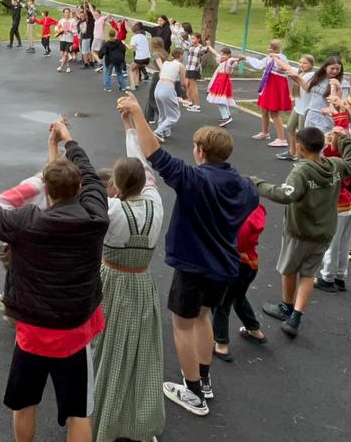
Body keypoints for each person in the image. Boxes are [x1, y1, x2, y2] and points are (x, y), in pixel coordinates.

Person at [0, 117, 107, 442]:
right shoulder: (95, 217)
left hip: (34, 333)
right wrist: (69, 140)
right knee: (79, 411)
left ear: (46, 192)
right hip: (75, 330)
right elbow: (92, 176)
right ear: (79, 189)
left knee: (24, 404)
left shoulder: (26, 224)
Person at [119, 95, 257, 417]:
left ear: (200, 151)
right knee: (203, 316)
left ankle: (193, 391)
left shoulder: (196, 180)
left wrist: (137, 114)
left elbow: (155, 155)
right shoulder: (245, 187)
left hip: (194, 266)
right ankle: (204, 379)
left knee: (182, 324)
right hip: (224, 266)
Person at [92, 103, 166, 442]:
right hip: (142, 284)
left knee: (104, 349)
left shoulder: (111, 210)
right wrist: (130, 127)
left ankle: (99, 418)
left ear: (115, 184)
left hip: (109, 283)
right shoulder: (155, 203)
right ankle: (138, 421)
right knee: (140, 352)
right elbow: (143, 164)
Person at [251, 126, 351, 338]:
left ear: (300, 147)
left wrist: (256, 183)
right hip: (324, 231)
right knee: (309, 273)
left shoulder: (301, 171)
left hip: (300, 231)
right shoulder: (335, 165)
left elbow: (285, 194)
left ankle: (286, 307)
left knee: (289, 269)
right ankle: (296, 317)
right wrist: (346, 141)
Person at [315, 93, 351, 293]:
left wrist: (338, 106)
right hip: (346, 203)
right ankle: (340, 276)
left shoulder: (331, 159)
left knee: (332, 241)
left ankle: (327, 277)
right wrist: (335, 109)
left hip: (336, 204)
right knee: (343, 241)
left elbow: (343, 122)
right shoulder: (348, 160)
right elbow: (342, 123)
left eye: (331, 136)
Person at [211, 202, 266, 363]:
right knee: (239, 297)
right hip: (250, 264)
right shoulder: (256, 210)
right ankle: (254, 329)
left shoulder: (237, 216)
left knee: (221, 303)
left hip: (233, 266)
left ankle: (221, 344)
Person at [244, 40, 293, 146]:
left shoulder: (281, 58)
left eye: (271, 48)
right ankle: (265, 132)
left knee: (274, 112)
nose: (269, 49)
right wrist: (246, 58)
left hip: (276, 85)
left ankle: (282, 139)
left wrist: (276, 57)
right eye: (270, 47)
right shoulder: (268, 57)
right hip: (268, 85)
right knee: (264, 109)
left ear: (276, 48)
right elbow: (259, 64)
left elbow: (283, 66)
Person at [277, 55, 316, 162]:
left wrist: (293, 76)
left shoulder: (310, 75)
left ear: (311, 65)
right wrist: (275, 57)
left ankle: (303, 158)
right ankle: (292, 152)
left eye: (305, 63)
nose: (301, 65)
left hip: (305, 109)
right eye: (300, 62)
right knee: (290, 128)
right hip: (298, 107)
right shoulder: (300, 72)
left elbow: (301, 82)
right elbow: (286, 66)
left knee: (303, 135)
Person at [302, 57, 345, 133]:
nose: (335, 71)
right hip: (311, 115)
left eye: (337, 69)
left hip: (326, 119)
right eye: (332, 68)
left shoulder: (343, 83)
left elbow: (341, 104)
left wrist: (338, 88)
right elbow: (308, 89)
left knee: (320, 139)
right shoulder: (318, 77)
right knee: (307, 139)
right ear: (325, 67)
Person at [206, 48, 246, 127]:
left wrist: (239, 59)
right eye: (222, 54)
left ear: (228, 55)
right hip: (219, 82)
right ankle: (227, 115)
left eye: (224, 55)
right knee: (221, 100)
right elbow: (215, 53)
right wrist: (209, 46)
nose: (222, 56)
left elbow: (232, 60)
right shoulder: (222, 61)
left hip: (222, 83)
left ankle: (226, 117)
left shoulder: (229, 62)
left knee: (219, 101)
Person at [152, 48, 184, 141]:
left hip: (158, 87)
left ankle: (164, 131)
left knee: (163, 113)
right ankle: (158, 132)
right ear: (181, 55)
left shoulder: (166, 63)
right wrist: (186, 92)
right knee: (174, 115)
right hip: (167, 88)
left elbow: (160, 75)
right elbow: (183, 82)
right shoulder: (180, 65)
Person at [181, 33, 210, 111]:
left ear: (198, 39)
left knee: (194, 87)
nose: (192, 40)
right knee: (188, 85)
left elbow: (207, 49)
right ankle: (189, 101)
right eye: (191, 38)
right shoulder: (191, 46)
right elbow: (185, 45)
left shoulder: (201, 48)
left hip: (194, 69)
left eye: (193, 38)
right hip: (189, 67)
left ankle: (197, 105)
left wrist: (208, 44)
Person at [99, 28, 128, 92]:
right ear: (115, 34)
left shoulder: (106, 44)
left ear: (109, 35)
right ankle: (123, 87)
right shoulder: (119, 42)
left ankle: (108, 88)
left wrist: (100, 56)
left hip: (110, 60)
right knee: (119, 73)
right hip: (119, 60)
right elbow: (123, 49)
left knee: (108, 73)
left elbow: (102, 52)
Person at [128, 22, 151, 90]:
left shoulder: (134, 37)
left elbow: (131, 48)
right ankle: (136, 83)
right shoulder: (144, 37)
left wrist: (124, 44)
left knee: (131, 70)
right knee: (136, 68)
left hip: (140, 58)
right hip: (147, 57)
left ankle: (132, 86)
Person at [55, 8, 77, 73]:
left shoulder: (73, 21)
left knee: (66, 54)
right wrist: (59, 30)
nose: (67, 14)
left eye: (68, 12)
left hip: (69, 39)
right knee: (62, 53)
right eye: (65, 12)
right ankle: (68, 67)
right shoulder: (61, 20)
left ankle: (61, 67)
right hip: (62, 38)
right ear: (63, 13)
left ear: (70, 13)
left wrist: (70, 31)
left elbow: (75, 30)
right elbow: (56, 27)